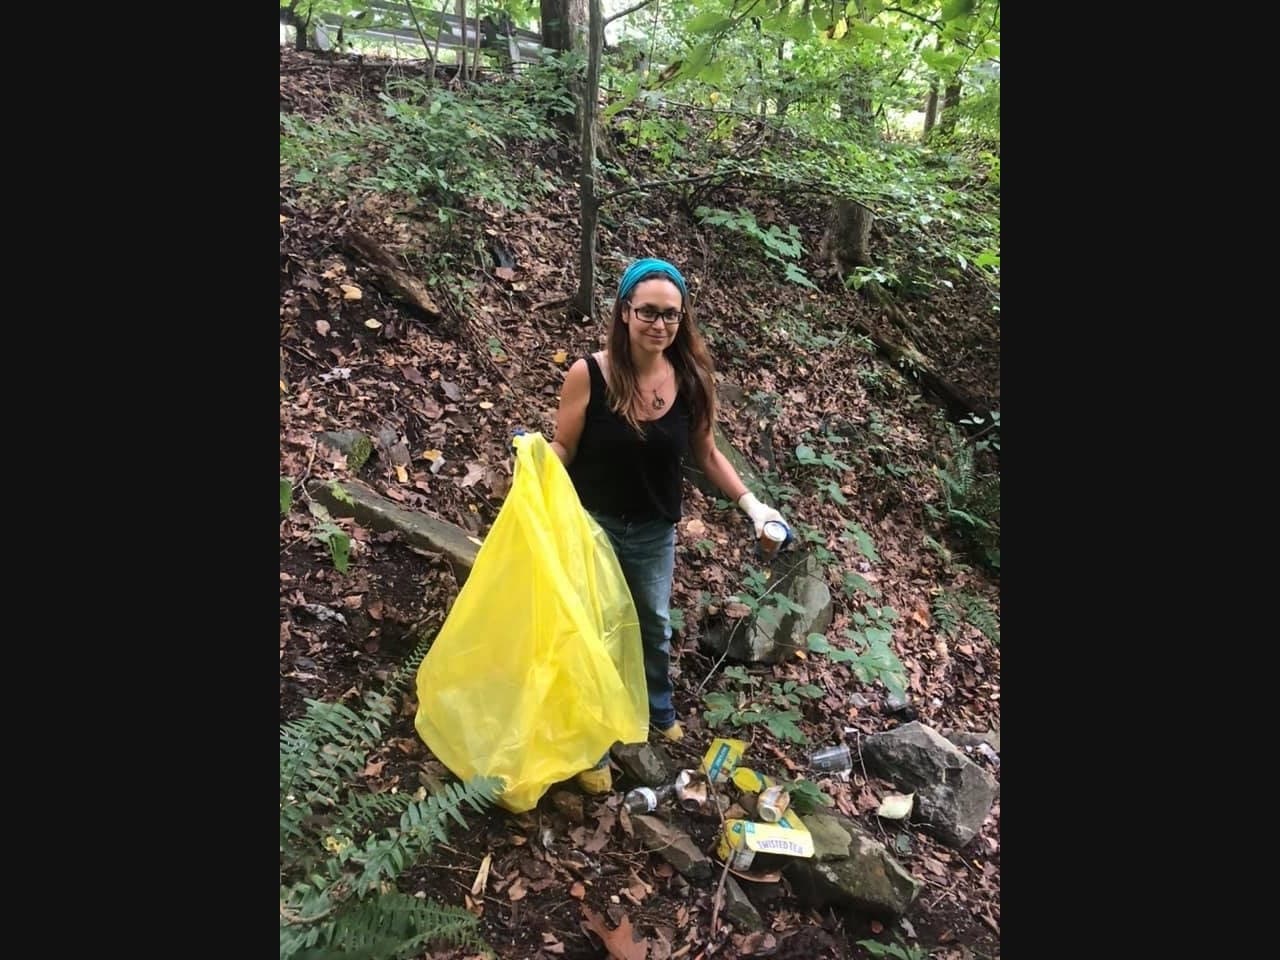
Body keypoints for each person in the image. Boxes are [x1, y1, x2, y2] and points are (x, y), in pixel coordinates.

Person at [550, 257, 790, 794]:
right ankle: (589, 741)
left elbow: (706, 454)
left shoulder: (691, 380)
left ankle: (656, 707)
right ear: (625, 312)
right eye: (648, 312)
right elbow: (563, 446)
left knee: (652, 626)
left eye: (671, 315)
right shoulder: (589, 374)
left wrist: (755, 507)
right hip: (591, 526)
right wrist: (535, 462)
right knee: (590, 632)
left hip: (654, 529)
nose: (659, 325)